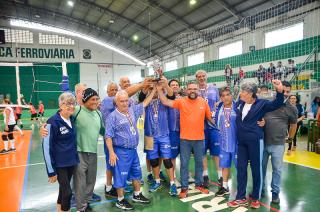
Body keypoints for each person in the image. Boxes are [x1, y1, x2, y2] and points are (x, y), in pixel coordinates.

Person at [228, 80, 284, 209]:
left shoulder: (261, 104)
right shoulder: (240, 103)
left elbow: (277, 103)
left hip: (255, 141)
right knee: (241, 169)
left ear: (250, 93)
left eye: (243, 91)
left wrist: (279, 91)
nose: (240, 93)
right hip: (241, 142)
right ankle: (240, 197)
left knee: (256, 169)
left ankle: (256, 198)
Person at [157, 81, 212, 199]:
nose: (192, 91)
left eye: (194, 89)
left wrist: (219, 127)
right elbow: (165, 101)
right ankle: (184, 187)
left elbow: (210, 118)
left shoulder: (203, 102)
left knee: (199, 163)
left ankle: (199, 184)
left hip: (200, 139)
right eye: (190, 89)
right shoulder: (181, 101)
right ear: (186, 90)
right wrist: (158, 90)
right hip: (185, 139)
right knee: (184, 164)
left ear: (198, 90)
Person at [105, 89, 155, 210]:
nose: (125, 103)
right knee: (121, 176)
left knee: (136, 173)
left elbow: (145, 103)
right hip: (121, 152)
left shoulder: (132, 110)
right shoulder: (113, 117)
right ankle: (120, 200)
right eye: (121, 101)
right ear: (116, 102)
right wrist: (111, 153)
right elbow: (108, 136)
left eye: (126, 100)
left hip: (133, 150)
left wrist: (154, 90)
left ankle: (137, 195)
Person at [42, 92, 79, 212]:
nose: (71, 106)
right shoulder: (52, 122)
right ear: (61, 105)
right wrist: (51, 171)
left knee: (63, 190)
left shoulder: (72, 119)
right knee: (67, 192)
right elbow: (46, 147)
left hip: (71, 162)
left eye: (73, 103)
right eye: (68, 104)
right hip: (59, 164)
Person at [262, 81, 297, 204]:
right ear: (278, 89)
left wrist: (290, 140)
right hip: (263, 142)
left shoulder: (292, 108)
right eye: (284, 91)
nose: (286, 94)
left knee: (277, 170)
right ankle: (260, 188)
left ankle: (275, 193)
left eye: (288, 91)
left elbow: (293, 125)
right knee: (261, 168)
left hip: (278, 144)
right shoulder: (268, 102)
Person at [144, 78, 177, 196]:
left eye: (157, 89)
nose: (155, 91)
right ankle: (157, 181)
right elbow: (142, 96)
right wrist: (149, 87)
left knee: (167, 160)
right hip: (149, 136)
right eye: (152, 89)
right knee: (153, 160)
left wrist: (164, 85)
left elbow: (172, 96)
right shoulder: (145, 102)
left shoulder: (164, 101)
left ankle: (173, 184)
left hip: (164, 135)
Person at [195, 70, 221, 188]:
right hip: (200, 126)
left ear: (206, 77)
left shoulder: (213, 88)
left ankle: (220, 176)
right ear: (196, 78)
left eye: (203, 76)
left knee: (216, 152)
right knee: (202, 153)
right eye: (199, 77)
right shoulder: (194, 90)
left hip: (213, 125)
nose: (201, 78)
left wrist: (217, 104)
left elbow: (220, 101)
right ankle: (205, 176)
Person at [214, 87, 237, 197]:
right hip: (224, 142)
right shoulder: (219, 109)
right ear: (220, 98)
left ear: (231, 95)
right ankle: (224, 186)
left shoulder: (238, 107)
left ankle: (242, 190)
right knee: (224, 166)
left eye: (228, 94)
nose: (226, 97)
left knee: (240, 167)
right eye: (223, 95)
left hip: (237, 143)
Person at [167, 79, 182, 181]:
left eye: (176, 85)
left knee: (184, 155)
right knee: (172, 156)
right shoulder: (166, 99)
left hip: (184, 131)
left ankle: (185, 174)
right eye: (172, 85)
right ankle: (173, 178)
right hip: (172, 131)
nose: (175, 86)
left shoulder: (183, 99)